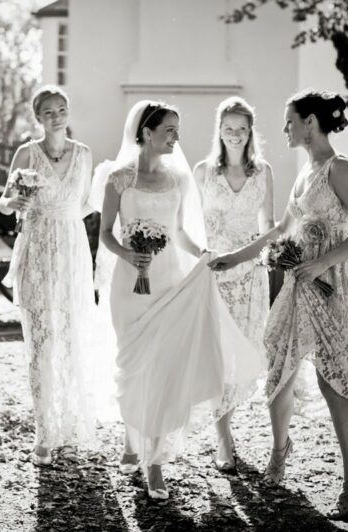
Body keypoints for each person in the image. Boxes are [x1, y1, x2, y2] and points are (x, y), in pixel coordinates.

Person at [208, 88, 348, 518]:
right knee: (279, 368)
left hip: (335, 285)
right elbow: (280, 231)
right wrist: (235, 258)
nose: (283, 128)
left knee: (332, 380)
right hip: (299, 285)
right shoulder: (305, 172)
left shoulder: (339, 169)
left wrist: (324, 262)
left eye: (289, 120)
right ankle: (280, 450)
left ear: (309, 123)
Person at [94, 101, 264, 499]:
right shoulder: (117, 179)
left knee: (163, 368)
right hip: (130, 286)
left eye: (177, 130)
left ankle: (154, 463)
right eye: (169, 130)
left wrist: (202, 254)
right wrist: (127, 254)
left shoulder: (177, 180)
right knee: (136, 366)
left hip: (169, 279)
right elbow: (104, 233)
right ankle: (132, 438)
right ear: (146, 132)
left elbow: (179, 234)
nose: (176, 138)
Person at [0, 86, 98, 466]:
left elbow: (87, 202)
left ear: (68, 112)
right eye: (48, 112)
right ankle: (44, 433)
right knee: (41, 343)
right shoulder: (26, 153)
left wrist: (64, 220)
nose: (56, 116)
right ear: (38, 117)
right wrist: (16, 203)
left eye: (61, 109)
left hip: (71, 251)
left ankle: (68, 426)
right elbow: (3, 200)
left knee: (71, 340)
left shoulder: (85, 155)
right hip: (37, 249)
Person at [193, 96, 273, 473]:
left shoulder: (264, 172)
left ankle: (227, 423)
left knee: (244, 355)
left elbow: (268, 228)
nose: (236, 134)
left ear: (250, 131)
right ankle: (224, 437)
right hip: (213, 274)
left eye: (242, 128)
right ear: (219, 131)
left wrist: (246, 256)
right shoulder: (203, 171)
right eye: (229, 128)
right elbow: (192, 226)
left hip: (250, 276)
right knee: (218, 355)